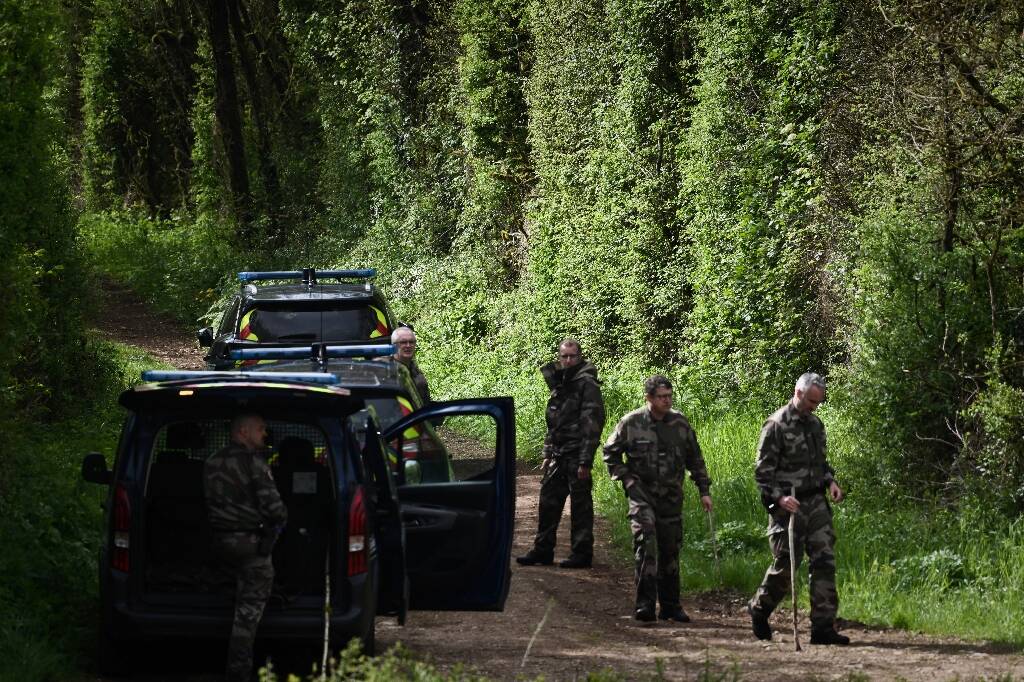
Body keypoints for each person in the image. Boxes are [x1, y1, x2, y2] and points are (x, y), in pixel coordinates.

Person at [747, 372, 849, 645]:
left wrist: (831, 482)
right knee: (786, 566)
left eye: (818, 402)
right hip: (788, 506)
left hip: (816, 503)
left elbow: (820, 463)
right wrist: (779, 498)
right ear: (798, 393)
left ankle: (823, 627)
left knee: (824, 562)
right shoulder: (776, 425)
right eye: (811, 401)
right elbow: (762, 473)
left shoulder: (816, 425)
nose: (814, 406)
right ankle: (759, 608)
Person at [602, 375, 712, 623]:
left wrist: (703, 490)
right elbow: (610, 453)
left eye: (669, 396)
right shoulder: (631, 422)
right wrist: (627, 479)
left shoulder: (679, 423)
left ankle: (671, 606)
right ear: (649, 398)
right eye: (661, 397)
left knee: (670, 549)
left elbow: (695, 458)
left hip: (671, 498)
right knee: (646, 543)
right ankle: (645, 606)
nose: (667, 400)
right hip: (642, 497)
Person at [204, 414, 288, 682]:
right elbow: (276, 510)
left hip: (218, 545)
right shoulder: (254, 463)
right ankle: (238, 672)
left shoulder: (212, 461)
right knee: (247, 615)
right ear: (243, 431)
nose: (265, 434)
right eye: (261, 429)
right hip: (250, 548)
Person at [516, 339, 606, 569]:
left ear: (580, 357)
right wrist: (548, 451)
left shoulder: (587, 385)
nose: (567, 360)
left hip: (577, 454)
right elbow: (554, 422)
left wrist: (586, 461)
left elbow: (592, 426)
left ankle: (582, 553)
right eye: (564, 356)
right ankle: (543, 550)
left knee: (580, 506)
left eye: (572, 357)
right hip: (558, 454)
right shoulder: (561, 383)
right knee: (548, 503)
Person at [392, 326, 431, 405]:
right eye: (403, 342)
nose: (408, 345)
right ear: (394, 345)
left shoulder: (414, 369)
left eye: (411, 342)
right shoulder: (386, 369)